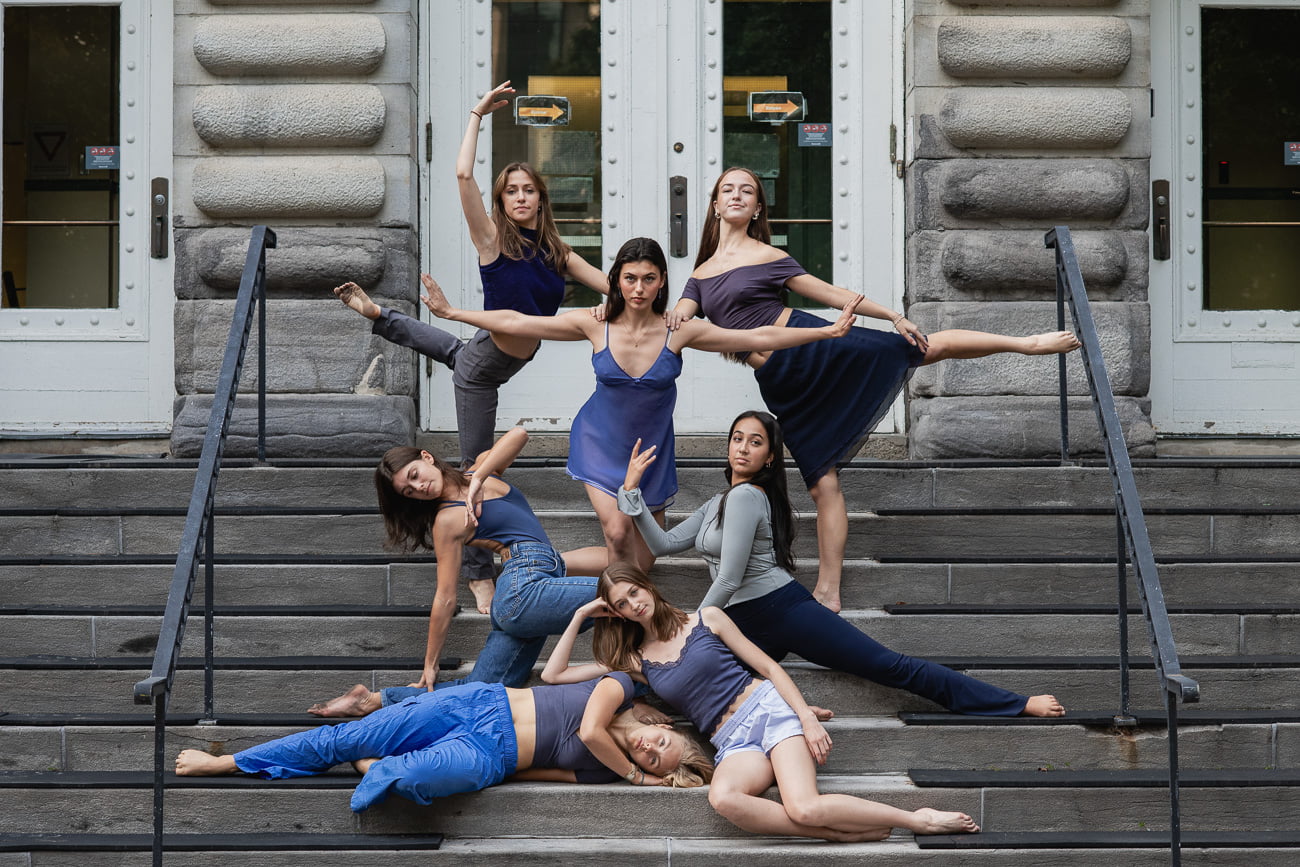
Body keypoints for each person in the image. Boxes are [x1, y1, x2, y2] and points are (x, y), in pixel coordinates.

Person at [674, 167, 1083, 612]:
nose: (736, 196)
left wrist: (893, 315)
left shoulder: (769, 257)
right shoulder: (700, 275)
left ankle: (1024, 344)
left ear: (756, 209)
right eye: (727, 190)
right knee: (820, 482)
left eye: (746, 191)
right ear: (715, 205)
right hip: (782, 382)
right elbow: (676, 320)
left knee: (919, 348)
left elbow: (833, 294)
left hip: (817, 347)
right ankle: (828, 591)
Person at [417, 236, 861, 572]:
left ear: (662, 281)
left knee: (645, 561)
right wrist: (453, 313)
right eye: (629, 278)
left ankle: (544, 563)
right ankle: (620, 626)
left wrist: (824, 332)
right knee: (616, 531)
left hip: (651, 452)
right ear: (616, 280)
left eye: (649, 278)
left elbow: (757, 336)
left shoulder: (680, 329)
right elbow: (517, 320)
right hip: (599, 442)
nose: (639, 287)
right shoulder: (595, 325)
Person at [335, 79, 609, 593]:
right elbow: (463, 174)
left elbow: (615, 286)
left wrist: (642, 306)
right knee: (470, 473)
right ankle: (480, 574)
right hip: (484, 372)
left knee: (457, 350)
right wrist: (477, 114)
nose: (521, 197)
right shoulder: (493, 243)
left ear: (540, 199)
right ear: (502, 203)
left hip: (491, 354)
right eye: (512, 191)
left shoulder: (556, 251)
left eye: (529, 190)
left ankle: (379, 314)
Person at [618, 410, 1065, 718]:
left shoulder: (747, 497)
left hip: (781, 610)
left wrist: (697, 627)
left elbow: (731, 576)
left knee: (888, 665)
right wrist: (632, 493)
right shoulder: (718, 500)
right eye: (737, 439)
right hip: (743, 619)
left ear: (770, 457)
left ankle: (1013, 703)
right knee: (684, 674)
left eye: (756, 442)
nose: (743, 448)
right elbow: (663, 541)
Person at [542, 563, 980, 842]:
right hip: (730, 741)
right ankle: (833, 834)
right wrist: (582, 614)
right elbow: (553, 675)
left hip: (769, 712)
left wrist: (806, 716)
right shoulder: (636, 660)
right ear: (615, 613)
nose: (633, 604)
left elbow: (770, 667)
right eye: (621, 604)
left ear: (648, 588)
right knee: (724, 798)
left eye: (634, 593)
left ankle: (917, 818)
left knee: (803, 804)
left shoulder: (707, 618)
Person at [175, 673, 713, 814]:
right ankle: (229, 763)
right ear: (664, 726)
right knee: (344, 738)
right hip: (478, 706)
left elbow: (541, 774)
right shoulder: (617, 691)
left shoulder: (604, 770)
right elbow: (591, 733)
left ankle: (377, 768)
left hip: (490, 757)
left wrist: (492, 772)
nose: (645, 749)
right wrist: (642, 778)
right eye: (656, 745)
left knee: (408, 777)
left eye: (650, 758)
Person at [375, 426, 607, 693]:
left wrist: (477, 479)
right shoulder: (447, 520)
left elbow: (519, 435)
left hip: (533, 581)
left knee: (481, 690)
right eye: (409, 492)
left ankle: (379, 700)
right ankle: (637, 692)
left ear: (426, 457)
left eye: (414, 476)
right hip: (520, 587)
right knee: (630, 598)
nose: (419, 487)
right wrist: (430, 665)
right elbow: (445, 597)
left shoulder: (483, 470)